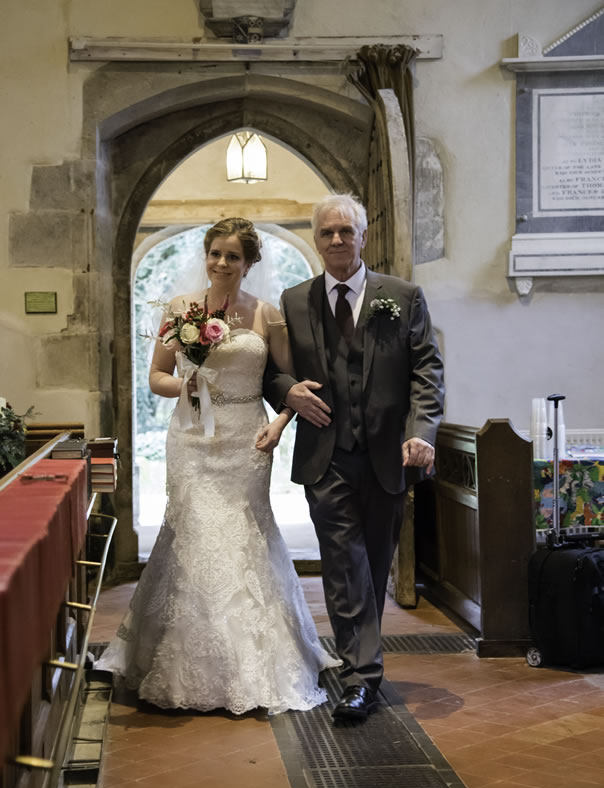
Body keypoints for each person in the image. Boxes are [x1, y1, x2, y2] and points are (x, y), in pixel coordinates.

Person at [97, 217, 339, 714]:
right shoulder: (181, 310)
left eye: (233, 256)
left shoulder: (266, 314)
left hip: (245, 439)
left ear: (249, 264)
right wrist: (189, 385)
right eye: (215, 253)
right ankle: (190, 656)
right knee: (194, 535)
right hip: (190, 438)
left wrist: (282, 423)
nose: (222, 263)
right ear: (205, 257)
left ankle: (255, 660)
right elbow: (157, 378)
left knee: (244, 533)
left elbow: (287, 380)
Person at [260, 194, 444, 723]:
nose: (337, 240)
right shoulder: (295, 301)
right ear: (316, 240)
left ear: (363, 237)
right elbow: (273, 372)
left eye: (346, 231)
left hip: (388, 456)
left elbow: (427, 371)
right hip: (328, 456)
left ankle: (359, 658)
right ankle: (360, 676)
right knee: (344, 561)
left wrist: (422, 431)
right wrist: (289, 392)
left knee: (374, 563)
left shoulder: (402, 297)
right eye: (327, 233)